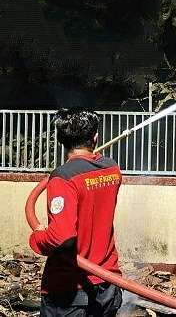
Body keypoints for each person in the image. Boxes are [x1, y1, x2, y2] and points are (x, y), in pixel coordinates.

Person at [29, 108, 123, 317]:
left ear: (61, 139)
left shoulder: (63, 178)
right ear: (96, 137)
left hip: (69, 289)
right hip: (107, 284)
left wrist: (37, 238)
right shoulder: (112, 170)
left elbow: (61, 237)